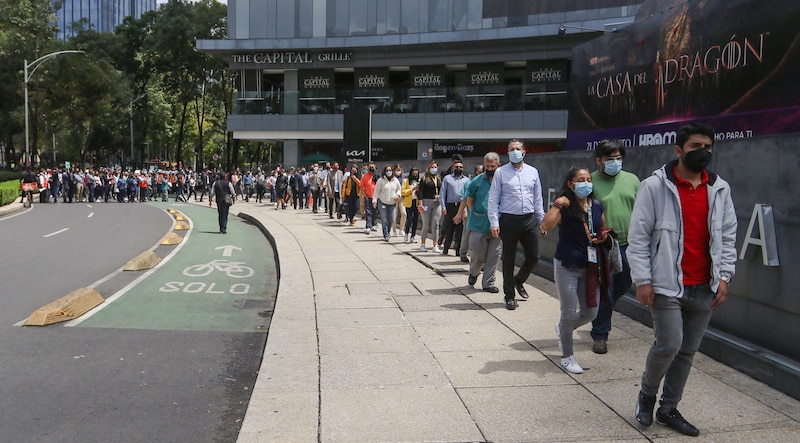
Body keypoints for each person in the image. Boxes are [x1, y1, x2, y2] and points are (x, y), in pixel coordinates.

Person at [629, 122, 737, 437]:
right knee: (669, 344)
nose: (702, 152)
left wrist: (725, 276)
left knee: (687, 350)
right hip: (665, 284)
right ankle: (648, 393)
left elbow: (728, 236)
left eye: (707, 147)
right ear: (678, 150)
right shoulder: (655, 186)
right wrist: (642, 280)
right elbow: (638, 238)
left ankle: (668, 409)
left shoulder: (720, 188)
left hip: (705, 285)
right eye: (695, 147)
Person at [540, 166, 607, 374]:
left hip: (590, 267)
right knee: (568, 312)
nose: (586, 183)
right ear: (571, 184)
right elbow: (545, 226)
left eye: (588, 179)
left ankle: (564, 329)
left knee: (591, 311)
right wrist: (558, 205)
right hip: (567, 266)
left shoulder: (596, 205)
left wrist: (602, 237)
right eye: (581, 180)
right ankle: (567, 356)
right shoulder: (565, 206)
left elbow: (603, 227)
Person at [589, 140, 641, 354]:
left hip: (629, 243)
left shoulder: (632, 180)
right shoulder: (589, 181)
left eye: (618, 158)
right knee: (606, 292)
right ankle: (600, 334)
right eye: (610, 159)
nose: (615, 163)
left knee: (624, 283)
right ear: (599, 160)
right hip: (604, 245)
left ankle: (603, 311)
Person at [488, 139, 546, 310]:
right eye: (512, 149)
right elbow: (493, 199)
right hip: (509, 220)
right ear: (507, 153)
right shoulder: (500, 172)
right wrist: (494, 222)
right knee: (508, 260)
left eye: (518, 149)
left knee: (534, 256)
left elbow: (537, 198)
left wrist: (542, 220)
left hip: (529, 220)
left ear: (524, 152)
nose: (515, 151)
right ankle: (509, 296)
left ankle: (518, 280)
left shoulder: (533, 172)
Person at [464, 153, 501, 293]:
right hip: (479, 224)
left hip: (498, 225)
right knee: (477, 254)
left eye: (493, 166)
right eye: (487, 166)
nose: (490, 169)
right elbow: (469, 201)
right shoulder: (477, 182)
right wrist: (478, 213)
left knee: (494, 255)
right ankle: (474, 272)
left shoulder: (504, 182)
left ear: (498, 166)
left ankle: (488, 283)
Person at [439, 158, 470, 256]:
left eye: (460, 167)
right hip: (450, 206)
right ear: (453, 168)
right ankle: (446, 248)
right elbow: (442, 193)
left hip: (462, 206)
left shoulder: (467, 180)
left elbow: (469, 195)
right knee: (449, 228)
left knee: (460, 230)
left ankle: (458, 250)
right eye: (457, 167)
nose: (458, 168)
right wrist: (443, 207)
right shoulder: (447, 178)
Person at [456, 164, 483, 262]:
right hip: (470, 213)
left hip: (481, 215)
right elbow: (464, 198)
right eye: (479, 172)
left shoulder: (486, 183)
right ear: (475, 172)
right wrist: (463, 212)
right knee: (467, 234)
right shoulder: (469, 183)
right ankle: (463, 253)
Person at [417, 160, 442, 253]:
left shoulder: (438, 178)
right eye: (432, 167)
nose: (434, 169)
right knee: (426, 224)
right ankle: (423, 243)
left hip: (437, 202)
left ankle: (435, 245)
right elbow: (420, 191)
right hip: (426, 201)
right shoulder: (424, 178)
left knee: (435, 224)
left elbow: (442, 189)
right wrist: (420, 203)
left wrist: (441, 197)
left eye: (435, 167)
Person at [373, 164, 402, 242]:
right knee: (384, 219)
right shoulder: (381, 180)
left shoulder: (395, 180)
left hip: (392, 203)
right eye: (387, 170)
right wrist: (374, 201)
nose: (389, 172)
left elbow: (399, 189)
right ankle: (385, 234)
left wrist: (398, 195)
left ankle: (388, 231)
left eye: (390, 170)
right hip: (382, 202)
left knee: (392, 219)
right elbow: (376, 191)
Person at [401, 167, 421, 243]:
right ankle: (406, 233)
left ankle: (413, 236)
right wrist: (411, 190)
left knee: (415, 220)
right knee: (409, 218)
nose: (415, 175)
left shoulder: (419, 181)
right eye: (414, 174)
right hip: (409, 202)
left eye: (416, 174)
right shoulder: (406, 181)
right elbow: (403, 192)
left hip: (416, 202)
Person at [361, 162, 378, 234]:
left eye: (373, 167)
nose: (371, 168)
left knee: (375, 211)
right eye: (370, 167)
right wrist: (364, 195)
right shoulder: (364, 176)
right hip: (368, 196)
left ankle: (374, 224)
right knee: (368, 211)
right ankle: (368, 226)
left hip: (376, 196)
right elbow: (361, 186)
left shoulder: (377, 176)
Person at [392, 164, 406, 237]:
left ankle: (401, 229)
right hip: (394, 198)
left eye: (399, 170)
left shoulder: (403, 178)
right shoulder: (392, 178)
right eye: (397, 170)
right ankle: (394, 230)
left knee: (404, 213)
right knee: (394, 215)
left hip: (402, 198)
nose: (398, 172)